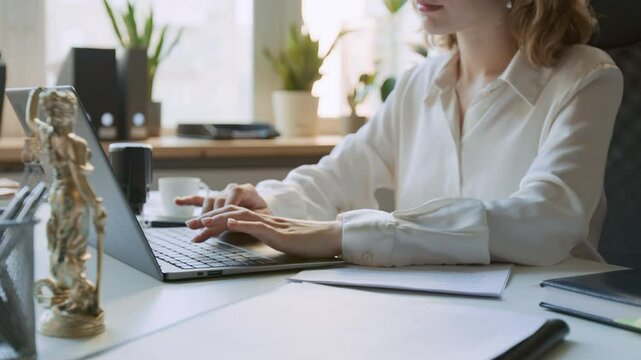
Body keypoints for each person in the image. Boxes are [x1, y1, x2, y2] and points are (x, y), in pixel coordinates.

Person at [177, 0, 623, 267]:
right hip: (433, 315)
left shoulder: (586, 77)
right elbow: (341, 173)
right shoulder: (420, 83)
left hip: (551, 322)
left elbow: (545, 222)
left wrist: (343, 234)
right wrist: (266, 204)